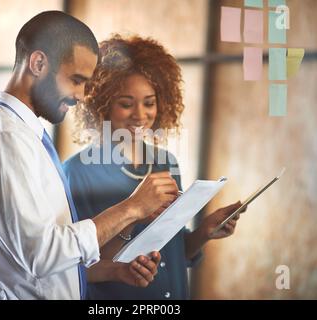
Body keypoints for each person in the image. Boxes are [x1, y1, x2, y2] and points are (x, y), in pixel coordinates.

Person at [0, 12, 179, 300]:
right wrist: (132, 208)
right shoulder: (6, 138)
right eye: (76, 80)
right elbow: (42, 255)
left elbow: (55, 255)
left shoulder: (26, 136)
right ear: (38, 63)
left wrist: (114, 270)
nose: (81, 96)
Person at [63, 35, 244, 300]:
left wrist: (203, 233)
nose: (140, 114)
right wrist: (134, 213)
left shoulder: (166, 162)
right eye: (126, 104)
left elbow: (174, 253)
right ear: (102, 105)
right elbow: (76, 266)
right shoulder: (77, 173)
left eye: (149, 102)